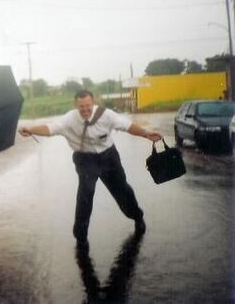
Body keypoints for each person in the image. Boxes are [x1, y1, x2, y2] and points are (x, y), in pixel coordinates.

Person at [18, 90, 162, 247]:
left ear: (92, 103)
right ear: (75, 105)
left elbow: (127, 126)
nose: (85, 109)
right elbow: (51, 128)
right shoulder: (69, 119)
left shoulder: (106, 115)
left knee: (122, 190)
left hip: (109, 158)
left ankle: (137, 217)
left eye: (88, 106)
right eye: (81, 107)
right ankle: (81, 237)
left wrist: (146, 133)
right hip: (85, 160)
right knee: (85, 195)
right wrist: (31, 129)